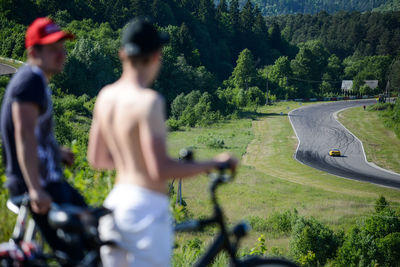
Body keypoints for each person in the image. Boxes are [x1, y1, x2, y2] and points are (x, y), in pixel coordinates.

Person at [87, 17, 237, 267]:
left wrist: (132, 163)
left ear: (122, 54)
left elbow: (97, 159)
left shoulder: (106, 96)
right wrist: (214, 162)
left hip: (114, 205)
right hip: (145, 211)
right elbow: (160, 169)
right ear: (157, 56)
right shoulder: (149, 102)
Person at [0, 17, 87, 261]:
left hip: (49, 181)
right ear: (33, 52)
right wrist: (36, 190)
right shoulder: (30, 81)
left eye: (62, 47)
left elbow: (33, 133)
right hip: (39, 187)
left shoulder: (36, 80)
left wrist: (56, 151)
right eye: (52, 49)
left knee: (94, 232)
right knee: (78, 255)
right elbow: (24, 135)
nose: (61, 54)